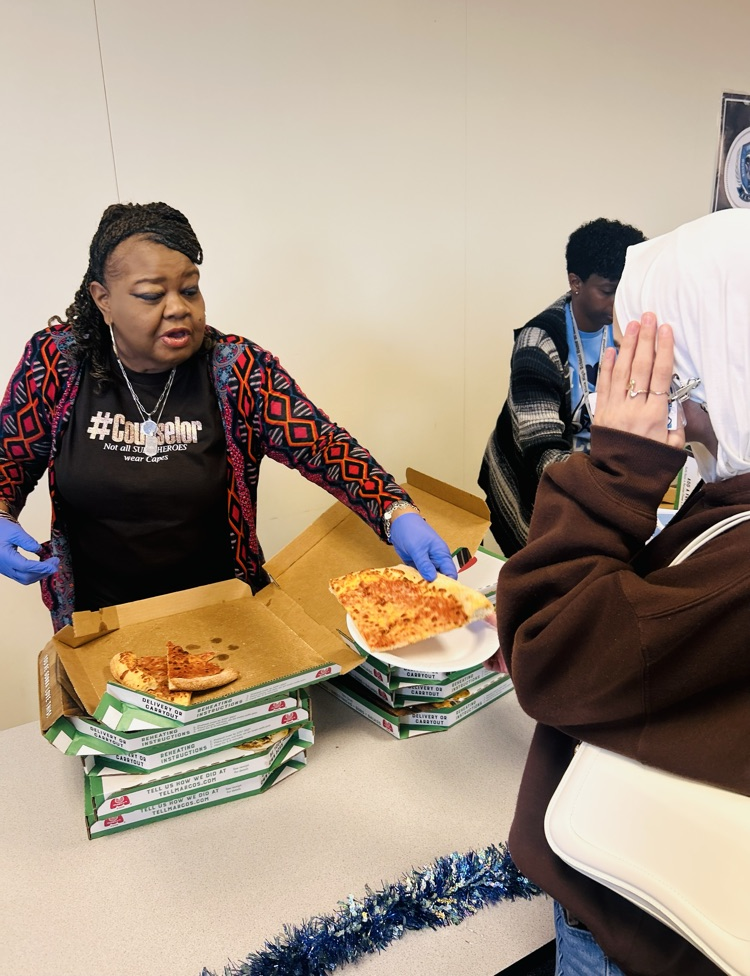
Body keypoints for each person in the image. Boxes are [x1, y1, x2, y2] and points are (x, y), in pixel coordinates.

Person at [494, 209, 750, 975]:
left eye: (677, 375)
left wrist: (615, 473)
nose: (673, 404)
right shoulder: (539, 337)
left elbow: (553, 657)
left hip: (634, 923)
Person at [0, 202, 456, 629]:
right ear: (103, 299)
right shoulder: (58, 362)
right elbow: (8, 459)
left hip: (227, 617)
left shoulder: (237, 370)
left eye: (190, 289)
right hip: (99, 621)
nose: (178, 307)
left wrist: (394, 511)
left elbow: (323, 447)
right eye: (151, 295)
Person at [478, 217, 647, 557]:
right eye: (609, 291)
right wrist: (613, 486)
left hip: (590, 479)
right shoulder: (539, 343)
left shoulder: (626, 326)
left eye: (627, 289)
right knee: (540, 579)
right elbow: (543, 456)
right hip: (532, 488)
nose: (620, 301)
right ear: (576, 282)